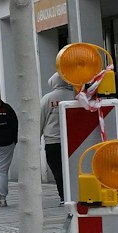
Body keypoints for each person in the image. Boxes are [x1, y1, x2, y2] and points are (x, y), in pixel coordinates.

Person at [40, 72, 75, 202]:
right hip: (74, 141)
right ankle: (74, 193)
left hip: (52, 142)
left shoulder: (47, 99)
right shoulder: (75, 96)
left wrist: (37, 139)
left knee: (58, 171)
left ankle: (63, 196)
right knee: (73, 169)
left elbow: (40, 120)